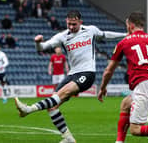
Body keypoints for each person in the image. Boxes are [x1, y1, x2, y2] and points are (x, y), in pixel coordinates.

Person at [14, 10, 126, 143]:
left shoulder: (90, 30)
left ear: (80, 22)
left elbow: (105, 35)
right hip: (72, 74)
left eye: (74, 24)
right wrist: (37, 42)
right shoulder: (62, 36)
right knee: (52, 106)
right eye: (69, 24)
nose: (71, 27)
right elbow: (42, 47)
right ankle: (68, 138)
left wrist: (126, 35)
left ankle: (29, 109)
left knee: (61, 94)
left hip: (87, 74)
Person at [98, 11, 148, 141]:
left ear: (130, 25)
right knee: (126, 104)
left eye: (127, 24)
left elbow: (108, 71)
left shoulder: (124, 42)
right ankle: (119, 141)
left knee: (136, 129)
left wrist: (103, 88)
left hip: (144, 84)